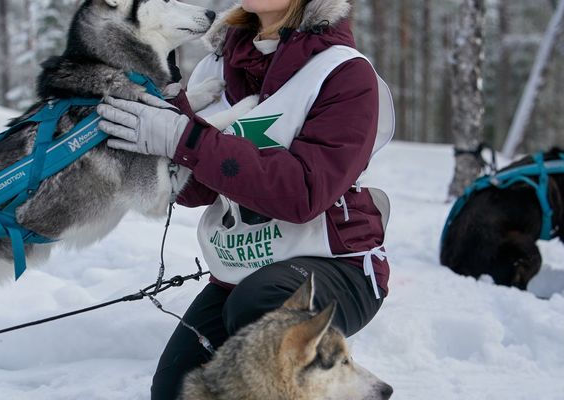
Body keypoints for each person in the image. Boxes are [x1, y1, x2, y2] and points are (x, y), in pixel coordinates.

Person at [96, 0, 393, 398]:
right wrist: (168, 127)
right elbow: (198, 190)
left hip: (337, 265)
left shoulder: (343, 72)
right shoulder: (216, 68)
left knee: (261, 313)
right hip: (243, 269)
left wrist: (188, 139)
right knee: (176, 390)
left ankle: (333, 381)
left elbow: (304, 194)